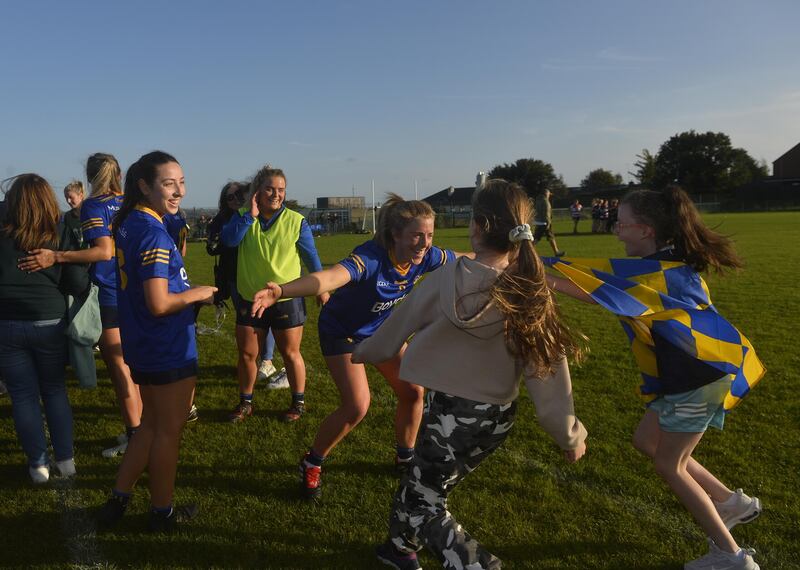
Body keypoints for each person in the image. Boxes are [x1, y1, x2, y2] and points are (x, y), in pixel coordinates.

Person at [352, 180, 587, 569]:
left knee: (426, 502)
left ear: (477, 226)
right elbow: (547, 373)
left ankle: (476, 564)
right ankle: (397, 548)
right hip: (494, 421)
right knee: (421, 482)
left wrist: (361, 351)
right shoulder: (530, 289)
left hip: (448, 414)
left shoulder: (444, 279)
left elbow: (391, 335)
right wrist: (569, 433)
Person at [547, 186, 764, 570]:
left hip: (698, 378)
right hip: (692, 375)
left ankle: (731, 557)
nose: (616, 230)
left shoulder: (665, 274)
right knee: (647, 440)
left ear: (646, 230)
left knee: (671, 465)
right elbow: (609, 287)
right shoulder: (664, 267)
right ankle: (731, 503)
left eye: (622, 223)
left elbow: (603, 292)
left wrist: (544, 278)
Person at [250, 193, 460, 499]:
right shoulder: (371, 258)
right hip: (342, 333)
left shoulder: (425, 256)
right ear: (395, 235)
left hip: (381, 332)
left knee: (413, 392)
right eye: (417, 235)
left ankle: (405, 457)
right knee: (357, 406)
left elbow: (463, 260)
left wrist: (500, 260)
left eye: (429, 235)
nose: (425, 242)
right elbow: (328, 278)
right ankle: (312, 462)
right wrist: (282, 290)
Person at [97, 151, 216, 532]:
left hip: (143, 339)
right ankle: (161, 513)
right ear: (144, 186)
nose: (179, 190)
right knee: (167, 431)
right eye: (169, 183)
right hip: (164, 344)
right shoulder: (151, 231)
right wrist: (199, 293)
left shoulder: (131, 221)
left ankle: (119, 498)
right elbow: (159, 302)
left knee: (149, 425)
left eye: (181, 182)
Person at [18, 153, 142, 458]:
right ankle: (142, 428)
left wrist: (57, 256)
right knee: (134, 365)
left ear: (89, 176)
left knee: (120, 369)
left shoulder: (93, 206)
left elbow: (103, 252)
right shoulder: (132, 201)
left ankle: (136, 438)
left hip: (111, 293)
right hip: (137, 290)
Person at [0, 174, 90, 483]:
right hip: (49, 320)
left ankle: (38, 464)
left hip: (7, 322)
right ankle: (65, 460)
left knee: (23, 396)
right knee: (54, 391)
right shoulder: (58, 231)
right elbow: (78, 283)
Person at [221, 166, 325, 423]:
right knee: (247, 354)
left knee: (290, 353)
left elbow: (311, 257)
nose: (276, 194)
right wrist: (249, 216)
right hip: (250, 297)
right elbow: (228, 241)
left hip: (286, 299)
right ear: (258, 190)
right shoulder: (244, 216)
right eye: (270, 188)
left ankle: (298, 402)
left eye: (280, 189)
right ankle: (245, 402)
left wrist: (322, 288)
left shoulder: (296, 220)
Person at [207, 181, 286, 389]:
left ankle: (267, 360)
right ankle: (253, 359)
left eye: (238, 196)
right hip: (233, 276)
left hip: (256, 276)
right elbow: (214, 246)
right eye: (229, 197)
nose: (235, 200)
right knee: (247, 321)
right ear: (224, 201)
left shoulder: (255, 214)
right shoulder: (223, 218)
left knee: (264, 318)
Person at [533, 189, 565, 256]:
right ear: (546, 194)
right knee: (537, 238)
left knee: (549, 237)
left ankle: (556, 252)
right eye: (549, 194)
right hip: (545, 223)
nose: (549, 196)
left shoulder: (538, 200)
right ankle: (527, 251)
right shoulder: (546, 202)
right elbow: (547, 213)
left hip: (538, 222)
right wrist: (548, 223)